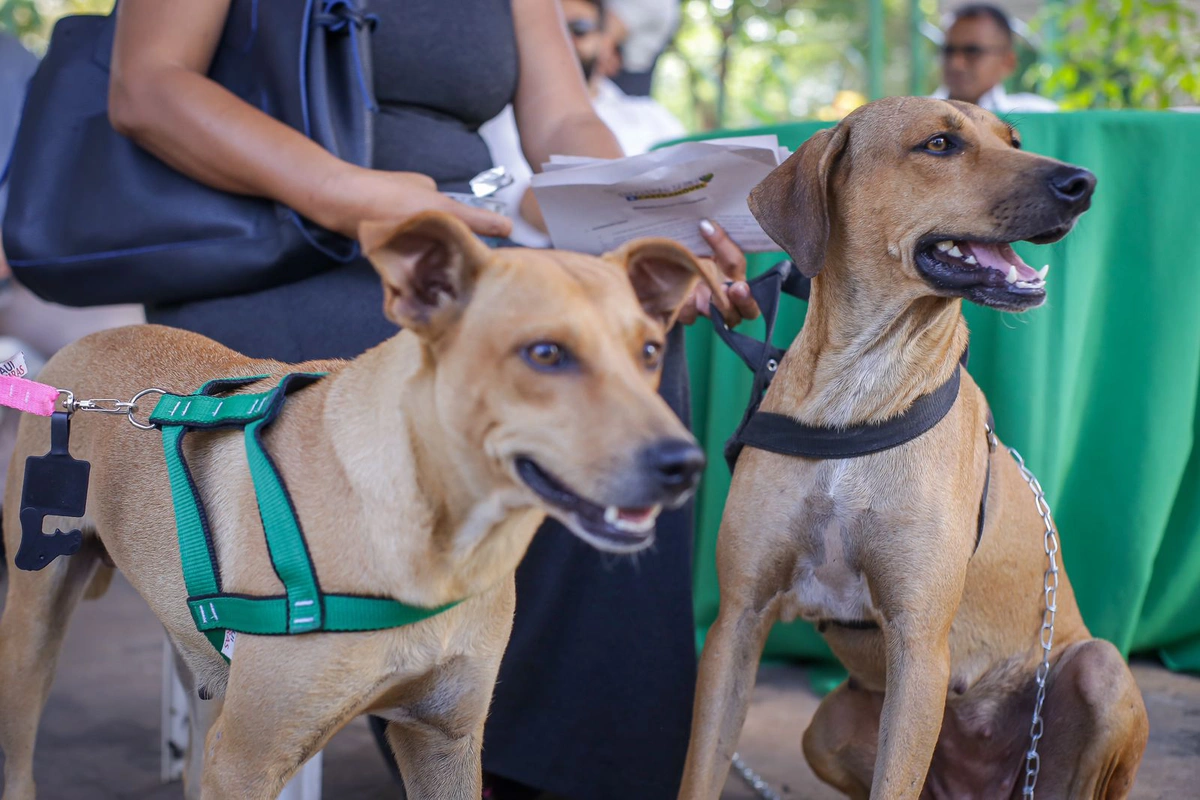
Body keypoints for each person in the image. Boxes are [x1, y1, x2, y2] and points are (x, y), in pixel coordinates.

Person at [105, 2, 757, 798]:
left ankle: (566, 769)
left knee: (626, 351)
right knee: (475, 367)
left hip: (461, 246)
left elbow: (563, 120)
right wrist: (354, 196)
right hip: (267, 250)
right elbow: (148, 86)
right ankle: (415, 698)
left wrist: (649, 228)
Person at [480, 0, 687, 248]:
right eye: (550, 30)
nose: (561, 41)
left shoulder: (654, 116)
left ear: (607, 43)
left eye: (579, 28)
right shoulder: (499, 116)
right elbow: (528, 205)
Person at [931, 3, 1058, 113]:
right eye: (949, 51)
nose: (956, 63)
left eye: (972, 51)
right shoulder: (915, 119)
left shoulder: (1039, 118)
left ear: (1008, 62)